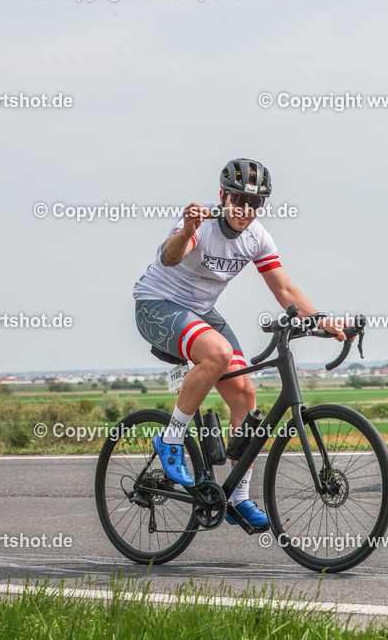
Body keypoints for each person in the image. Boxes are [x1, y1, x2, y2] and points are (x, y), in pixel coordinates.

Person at [132, 158, 344, 528]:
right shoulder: (201, 222)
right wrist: (186, 231)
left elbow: (285, 289)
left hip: (201, 313)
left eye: (255, 203)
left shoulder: (257, 237)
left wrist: (321, 320)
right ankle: (170, 440)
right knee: (218, 353)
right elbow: (169, 258)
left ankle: (237, 496)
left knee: (245, 395)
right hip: (156, 305)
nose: (246, 210)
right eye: (239, 200)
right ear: (223, 196)